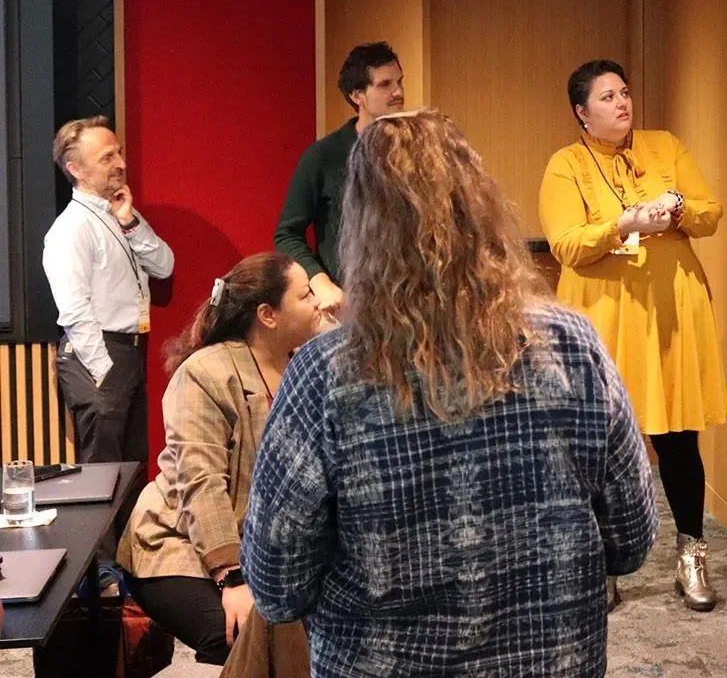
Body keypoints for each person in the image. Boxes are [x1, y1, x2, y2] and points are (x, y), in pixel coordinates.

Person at [244, 109, 657, 678]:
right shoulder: (573, 346)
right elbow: (632, 539)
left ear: (359, 231)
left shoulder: (322, 377)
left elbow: (276, 586)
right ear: (480, 209)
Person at [538, 60, 727, 611]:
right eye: (606, 97)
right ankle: (602, 564)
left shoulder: (664, 145)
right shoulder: (566, 165)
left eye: (624, 93)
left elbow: (710, 213)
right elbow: (567, 245)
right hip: (604, 314)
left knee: (678, 435)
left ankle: (691, 555)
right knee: (599, 442)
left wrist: (676, 211)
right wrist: (623, 226)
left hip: (672, 305)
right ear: (581, 112)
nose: (621, 103)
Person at [117, 252, 322, 666]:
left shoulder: (305, 366)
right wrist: (233, 576)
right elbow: (201, 481)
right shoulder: (206, 373)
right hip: (180, 542)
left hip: (263, 546)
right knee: (241, 635)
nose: (319, 299)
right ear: (268, 314)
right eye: (305, 294)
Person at [42, 115, 175, 596]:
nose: (120, 163)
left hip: (128, 350)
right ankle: (97, 577)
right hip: (97, 353)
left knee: (132, 464)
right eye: (107, 157)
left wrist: (131, 220)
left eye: (119, 152)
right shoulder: (69, 230)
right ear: (76, 169)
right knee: (100, 472)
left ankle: (128, 563)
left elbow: (164, 264)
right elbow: (74, 310)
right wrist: (101, 373)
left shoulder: (116, 215)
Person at [274, 41, 404, 314]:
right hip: (348, 309)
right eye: (385, 85)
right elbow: (287, 234)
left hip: (406, 306)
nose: (398, 92)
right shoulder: (323, 156)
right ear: (357, 95)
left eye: (399, 82)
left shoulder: (414, 152)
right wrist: (320, 281)